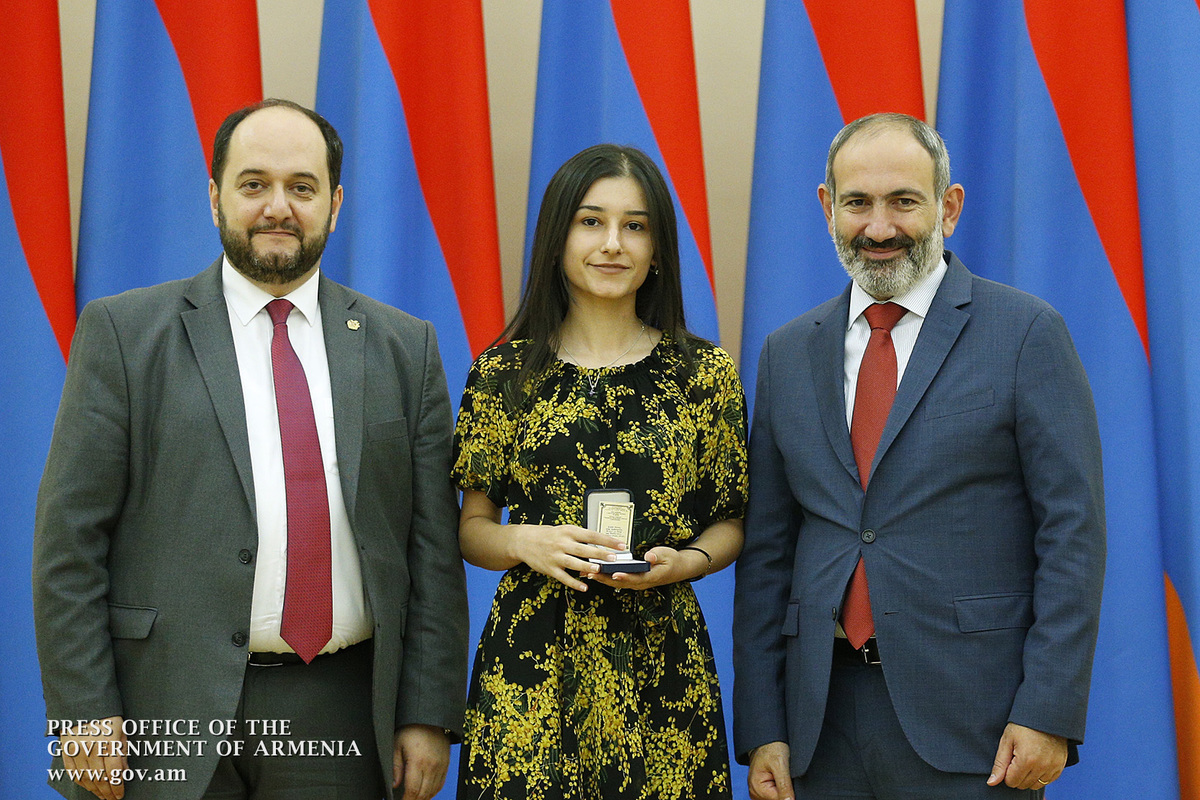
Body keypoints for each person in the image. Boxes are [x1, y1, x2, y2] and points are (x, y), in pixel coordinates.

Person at [33, 99, 468, 800]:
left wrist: (427, 711)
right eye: (254, 184)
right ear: (215, 198)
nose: (278, 207)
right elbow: (69, 540)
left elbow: (432, 550)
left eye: (302, 187)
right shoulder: (124, 334)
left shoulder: (404, 348)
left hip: (339, 710)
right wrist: (83, 709)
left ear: (335, 206)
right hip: (161, 706)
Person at [732, 113, 1105, 800]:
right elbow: (767, 554)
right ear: (827, 208)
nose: (879, 228)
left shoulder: (1027, 333)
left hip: (976, 727)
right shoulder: (786, 353)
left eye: (903, 201)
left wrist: (1048, 709)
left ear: (949, 208)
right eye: (857, 203)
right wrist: (763, 725)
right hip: (819, 729)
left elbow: (1072, 535)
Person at [451, 143, 747, 799]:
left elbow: (731, 520)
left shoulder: (705, 374)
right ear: (557, 239)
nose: (613, 243)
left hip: (663, 658)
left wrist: (687, 562)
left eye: (634, 226)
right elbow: (473, 528)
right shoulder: (503, 372)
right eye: (591, 221)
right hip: (532, 661)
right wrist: (523, 541)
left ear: (657, 249)